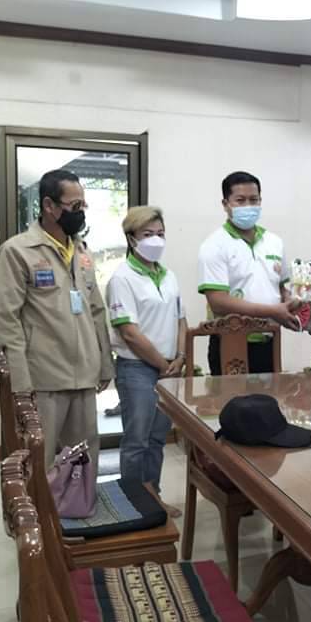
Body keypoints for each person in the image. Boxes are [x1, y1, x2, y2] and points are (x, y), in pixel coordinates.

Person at [0, 169, 115, 471]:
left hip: (84, 373)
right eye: (75, 206)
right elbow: (8, 320)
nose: (81, 212)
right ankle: (38, 504)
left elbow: (96, 310)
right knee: (39, 457)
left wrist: (104, 363)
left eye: (83, 205)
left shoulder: (82, 251)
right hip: (43, 377)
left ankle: (82, 501)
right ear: (49, 205)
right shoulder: (17, 252)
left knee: (83, 458)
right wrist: (20, 383)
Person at [106, 206, 185, 512]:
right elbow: (130, 333)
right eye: (148, 234)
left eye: (160, 234)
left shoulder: (169, 275)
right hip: (137, 369)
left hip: (169, 368)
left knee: (156, 439)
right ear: (131, 239)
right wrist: (163, 366)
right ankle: (132, 506)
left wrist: (180, 357)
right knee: (136, 440)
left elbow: (181, 320)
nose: (156, 240)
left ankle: (153, 499)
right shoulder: (122, 279)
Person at [197, 171, 301, 374]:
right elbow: (218, 301)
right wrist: (273, 311)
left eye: (254, 200)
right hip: (230, 340)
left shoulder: (274, 242)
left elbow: (281, 288)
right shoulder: (214, 245)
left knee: (270, 394)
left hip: (269, 338)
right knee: (231, 395)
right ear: (225, 204)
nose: (248, 206)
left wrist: (292, 304)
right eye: (240, 200)